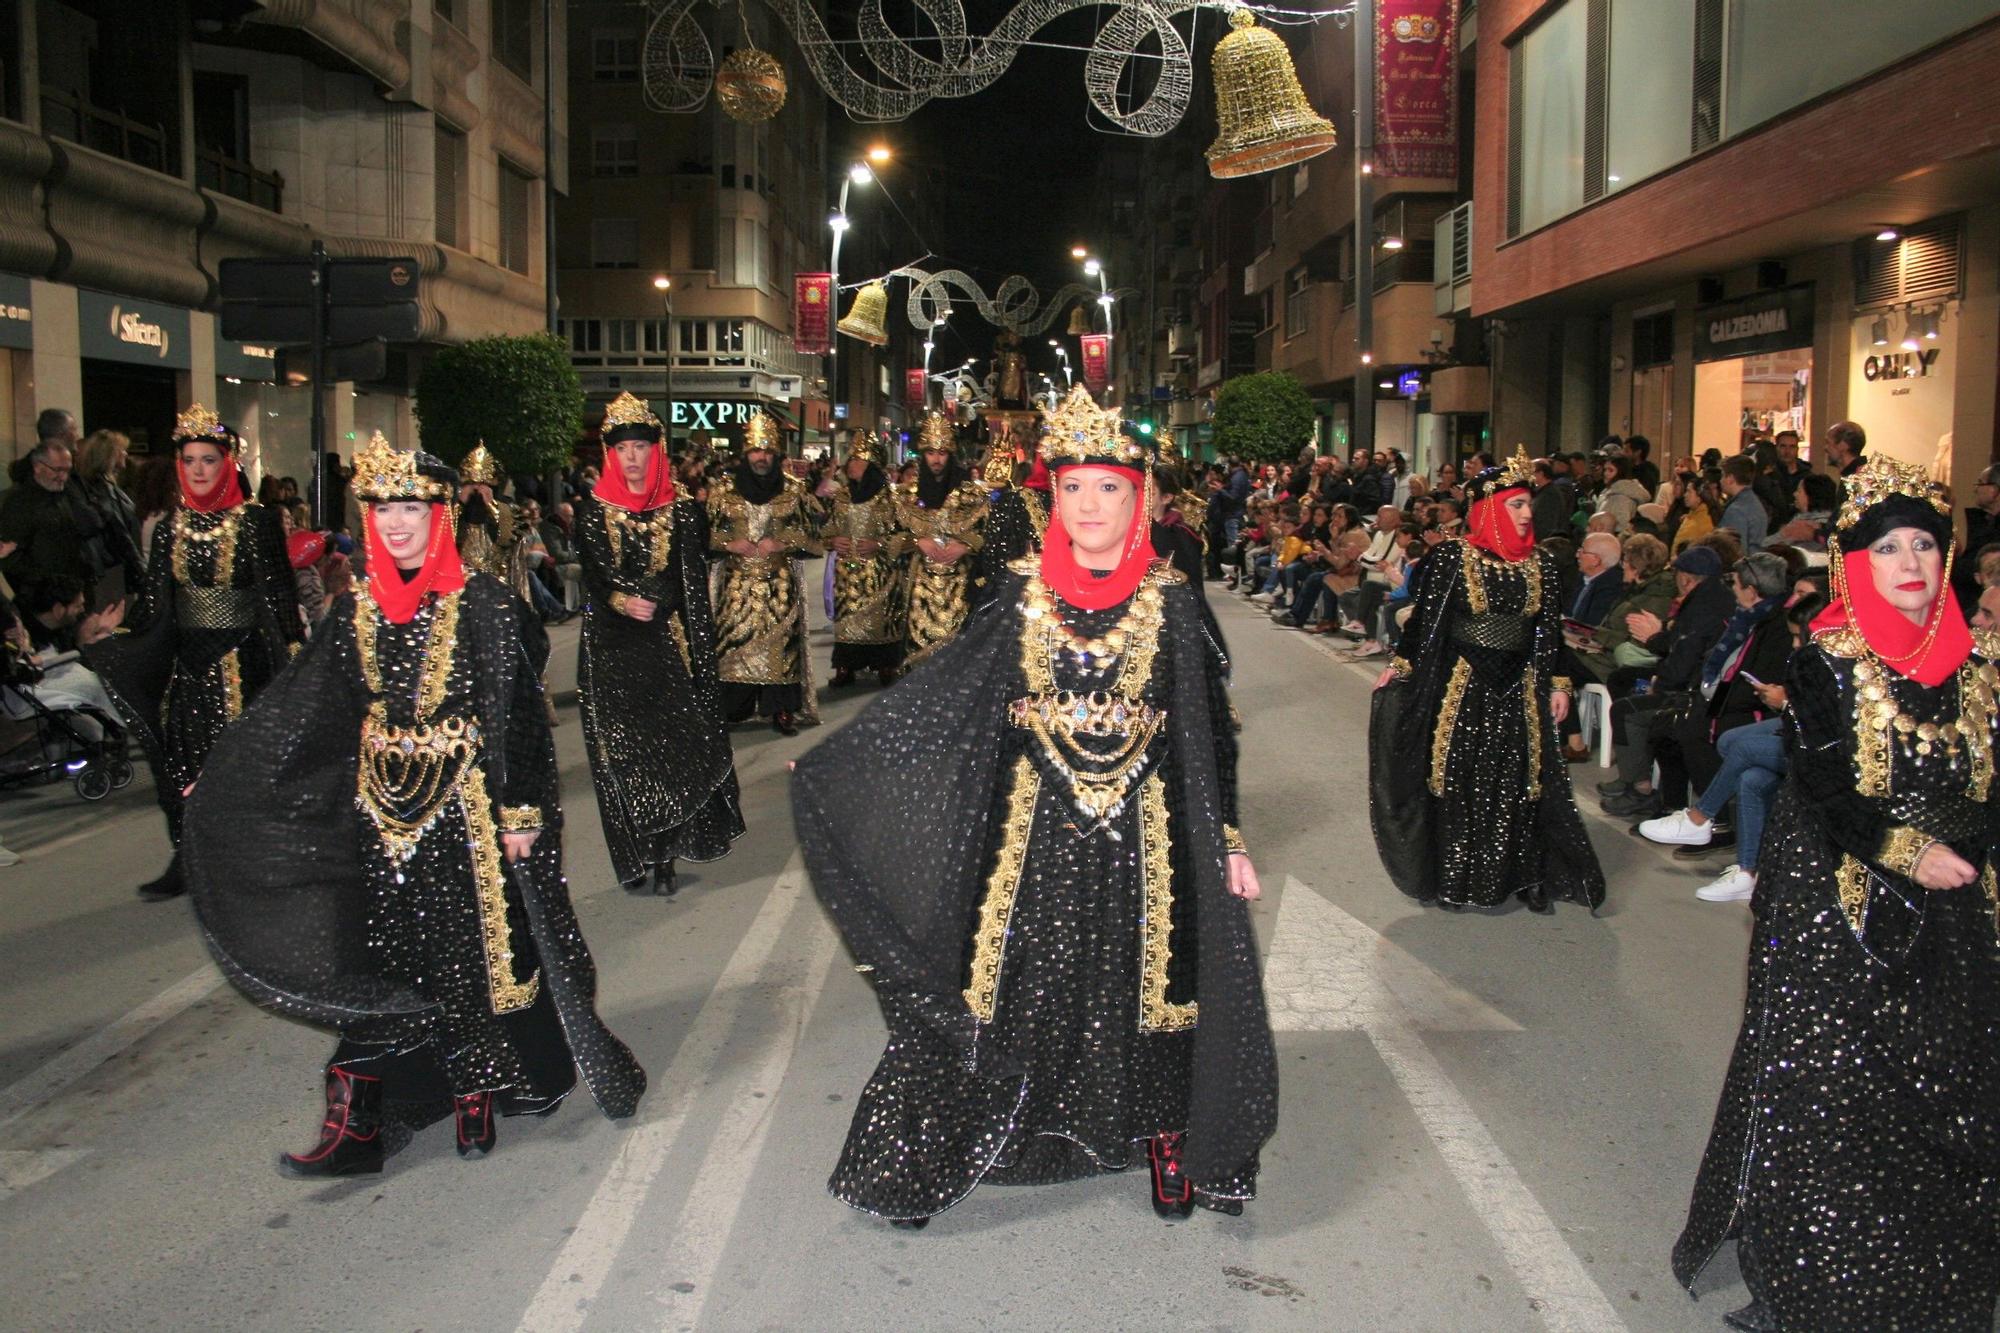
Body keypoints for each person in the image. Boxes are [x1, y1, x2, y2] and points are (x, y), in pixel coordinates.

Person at [794, 382, 1276, 1226]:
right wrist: (853, 763)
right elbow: (953, 706)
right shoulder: (1015, 596)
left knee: (1152, 985)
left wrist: (1226, 838)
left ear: (1139, 499)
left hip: (1148, 835)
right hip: (1034, 835)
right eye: (1074, 488)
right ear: (1053, 497)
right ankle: (950, 1139)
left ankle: (1162, 1133)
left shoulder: (1174, 604)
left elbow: (1210, 737)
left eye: (1110, 488)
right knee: (1014, 982)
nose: (1091, 505)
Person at [179, 435, 646, 1176]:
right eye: (383, 507)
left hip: (463, 820)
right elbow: (307, 711)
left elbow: (518, 717)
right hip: (378, 824)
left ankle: (478, 1085)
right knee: (385, 955)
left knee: (470, 957)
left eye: (410, 507)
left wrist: (522, 816)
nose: (396, 522)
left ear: (436, 515)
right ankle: (359, 1116)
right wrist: (229, 772)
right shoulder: (353, 610)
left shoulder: (483, 606)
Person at [1673, 456, 2000, 1329]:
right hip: (1842, 904)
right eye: (1888, 546)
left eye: (1925, 544)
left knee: (1949, 1094)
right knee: (1835, 1096)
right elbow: (1823, 785)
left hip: (1961, 907)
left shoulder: (1981, 665)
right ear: (1858, 562)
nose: (1910, 562)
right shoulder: (1830, 660)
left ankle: (1933, 1268)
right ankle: (1811, 1276)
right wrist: (1906, 849)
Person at [1368, 448, 1606, 913]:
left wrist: (1559, 685)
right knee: (1458, 780)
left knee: (1522, 782)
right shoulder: (1453, 558)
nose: (1525, 513)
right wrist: (1399, 667)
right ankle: (1457, 878)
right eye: (1515, 505)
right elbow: (1427, 624)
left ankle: (1523, 877)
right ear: (1490, 511)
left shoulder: (1541, 565)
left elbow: (1549, 633)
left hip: (1519, 689)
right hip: (1462, 687)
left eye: (1526, 504)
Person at [86, 406, 300, 900]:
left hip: (245, 664)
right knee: (180, 764)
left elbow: (278, 601)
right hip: (189, 668)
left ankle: (249, 860)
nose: (198, 469)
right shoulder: (168, 530)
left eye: (208, 459)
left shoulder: (256, 524)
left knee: (241, 768)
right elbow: (157, 608)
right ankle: (187, 857)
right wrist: (117, 635)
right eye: (189, 460)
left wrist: (293, 666)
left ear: (227, 463)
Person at [574, 392, 743, 897]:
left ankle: (667, 851)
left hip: (668, 646)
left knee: (669, 752)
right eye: (622, 447)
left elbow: (687, 577)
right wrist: (621, 601)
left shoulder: (684, 512)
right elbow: (595, 571)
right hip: (611, 647)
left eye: (640, 447)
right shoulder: (592, 510)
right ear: (610, 453)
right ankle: (635, 850)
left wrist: (657, 601)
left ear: (656, 451)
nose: (631, 456)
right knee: (618, 755)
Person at [708, 411, 823, 735]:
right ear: (746, 454)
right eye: (756, 451)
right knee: (733, 646)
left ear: (776, 455)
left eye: (767, 451)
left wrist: (782, 541)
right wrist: (731, 544)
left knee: (780, 650)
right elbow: (705, 536)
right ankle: (735, 708)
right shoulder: (723, 492)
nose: (761, 457)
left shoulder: (795, 492)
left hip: (779, 586)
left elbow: (814, 540)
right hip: (736, 589)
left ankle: (781, 709)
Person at [894, 410, 987, 672]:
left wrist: (966, 546)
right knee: (918, 647)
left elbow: (988, 535)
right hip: (920, 585)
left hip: (959, 584)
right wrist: (916, 542)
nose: (936, 459)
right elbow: (890, 538)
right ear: (923, 455)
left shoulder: (970, 494)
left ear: (951, 454)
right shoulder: (906, 496)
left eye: (942, 453)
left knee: (958, 652)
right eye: (931, 453)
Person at [825, 432, 907, 687]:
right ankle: (846, 666)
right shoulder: (842, 497)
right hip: (847, 571)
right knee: (847, 620)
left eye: (858, 460)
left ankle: (885, 664)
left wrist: (879, 544)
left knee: (880, 620)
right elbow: (828, 529)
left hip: (879, 571)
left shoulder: (890, 497)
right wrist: (831, 541)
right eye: (851, 460)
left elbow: (905, 533)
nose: (851, 465)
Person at [0, 416, 97, 590]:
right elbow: (10, 557)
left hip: (71, 590)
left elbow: (88, 527)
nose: (63, 477)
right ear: (38, 466)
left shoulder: (64, 494)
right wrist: (45, 586)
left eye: (67, 471)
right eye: (58, 470)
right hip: (43, 598)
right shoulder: (19, 503)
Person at [70, 428, 144, 592]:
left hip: (116, 568)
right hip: (113, 570)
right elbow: (119, 530)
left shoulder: (108, 485)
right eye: (122, 450)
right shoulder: (102, 488)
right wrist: (139, 567)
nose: (126, 454)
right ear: (110, 455)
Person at [1717, 456, 1769, 550]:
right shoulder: (1754, 503)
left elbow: (1735, 552)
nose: (1720, 481)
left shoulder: (1736, 510)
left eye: (1722, 476)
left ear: (1730, 479)